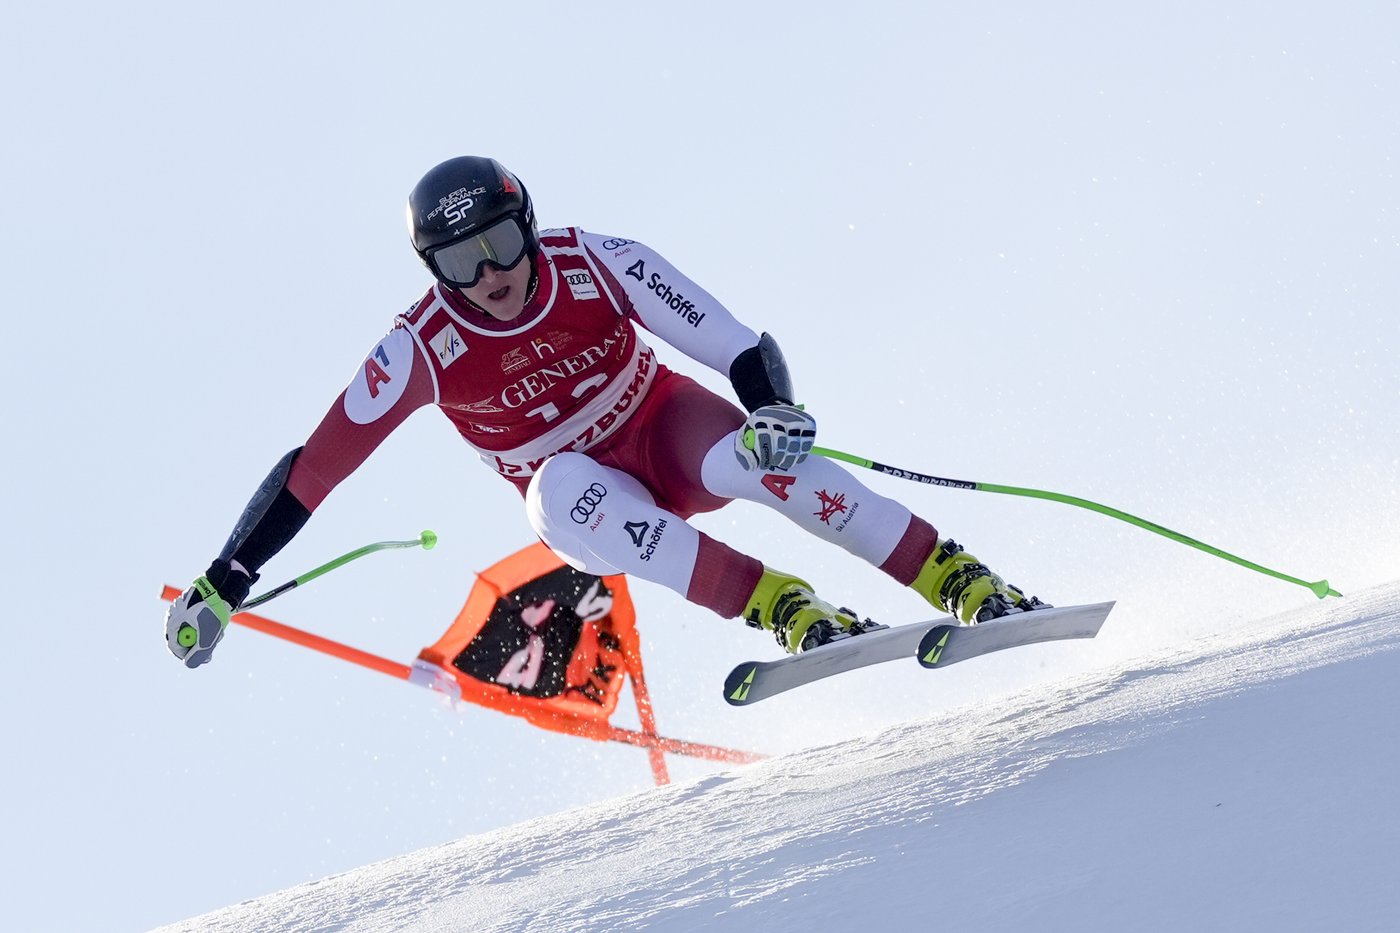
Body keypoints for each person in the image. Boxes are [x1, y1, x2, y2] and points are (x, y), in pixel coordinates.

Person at [165, 156, 1043, 669]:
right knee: (559, 490)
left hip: (664, 430)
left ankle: (959, 580)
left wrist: (773, 407)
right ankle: (783, 606)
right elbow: (312, 469)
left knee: (763, 455)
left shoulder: (595, 260)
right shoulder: (419, 348)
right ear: (433, 270)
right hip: (586, 495)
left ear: (528, 225)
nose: (492, 277)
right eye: (461, 264)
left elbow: (734, 341)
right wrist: (226, 576)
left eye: (502, 246)